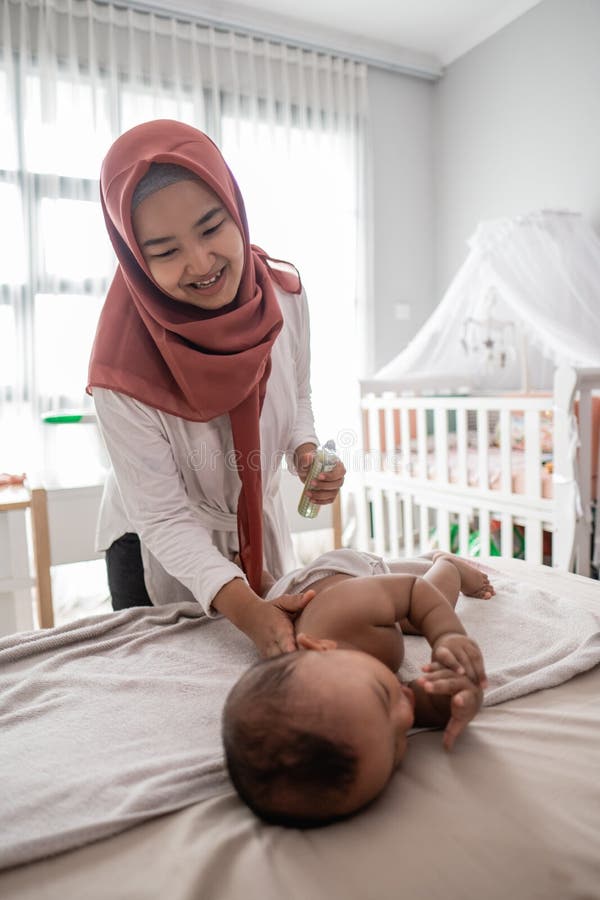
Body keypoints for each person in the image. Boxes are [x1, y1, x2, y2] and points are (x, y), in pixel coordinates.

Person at [87, 119, 345, 656]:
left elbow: (297, 395)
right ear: (135, 256)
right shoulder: (122, 366)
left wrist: (303, 452)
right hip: (157, 544)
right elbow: (161, 516)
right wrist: (244, 605)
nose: (200, 264)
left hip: (256, 519)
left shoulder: (284, 297)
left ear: (235, 207)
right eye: (164, 250)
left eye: (210, 228)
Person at [222, 550, 492, 827]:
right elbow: (432, 702)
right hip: (283, 596)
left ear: (323, 648)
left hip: (340, 575)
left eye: (384, 695)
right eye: (397, 745)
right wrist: (457, 697)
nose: (408, 717)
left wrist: (448, 635)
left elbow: (414, 591)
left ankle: (447, 564)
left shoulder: (345, 616)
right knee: (274, 591)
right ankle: (268, 583)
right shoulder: (361, 711)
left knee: (425, 612)